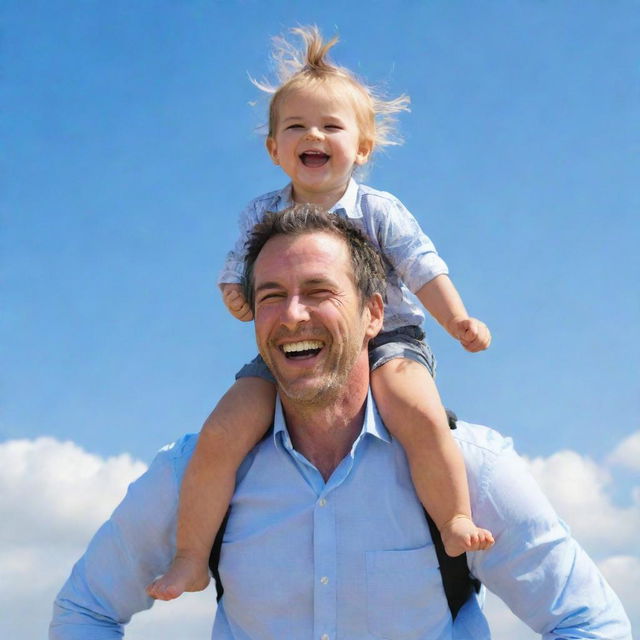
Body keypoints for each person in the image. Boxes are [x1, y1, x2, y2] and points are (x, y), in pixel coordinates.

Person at [51, 206, 632, 639]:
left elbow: (588, 621)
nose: (293, 314)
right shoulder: (197, 473)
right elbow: (86, 610)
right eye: (271, 295)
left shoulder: (468, 466)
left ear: (374, 312)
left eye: (319, 290)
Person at [147, 25, 494, 602]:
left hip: (392, 337)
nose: (314, 135)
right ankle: (189, 556)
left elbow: (420, 265)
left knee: (415, 408)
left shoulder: (378, 210)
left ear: (361, 148)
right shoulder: (264, 212)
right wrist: (235, 293)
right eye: (297, 126)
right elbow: (238, 270)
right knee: (222, 430)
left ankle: (454, 517)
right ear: (274, 149)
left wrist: (457, 318)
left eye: (332, 126)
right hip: (296, 343)